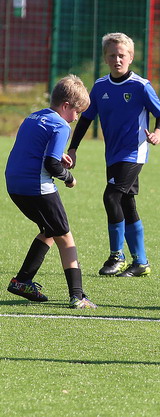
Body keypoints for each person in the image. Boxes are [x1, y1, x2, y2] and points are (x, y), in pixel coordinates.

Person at [67, 32, 160, 278]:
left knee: (111, 197)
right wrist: (73, 148)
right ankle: (141, 262)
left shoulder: (141, 86)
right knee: (126, 203)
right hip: (112, 155)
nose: (117, 60)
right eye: (112, 55)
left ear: (131, 57)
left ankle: (117, 256)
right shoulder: (100, 86)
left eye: (122, 55)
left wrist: (157, 133)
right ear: (105, 58)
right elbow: (85, 120)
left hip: (134, 152)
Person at [5, 75, 97, 309]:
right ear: (66, 106)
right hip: (37, 186)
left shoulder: (33, 117)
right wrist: (69, 178)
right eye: (77, 112)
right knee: (65, 237)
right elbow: (51, 165)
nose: (76, 118)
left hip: (14, 185)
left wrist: (57, 155)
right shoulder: (61, 125)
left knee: (49, 230)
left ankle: (22, 281)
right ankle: (78, 296)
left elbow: (34, 149)